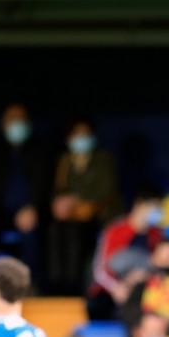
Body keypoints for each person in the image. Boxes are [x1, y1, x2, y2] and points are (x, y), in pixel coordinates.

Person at [0, 104, 49, 274]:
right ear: (3, 124)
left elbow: (44, 185)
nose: (17, 124)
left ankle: (30, 283)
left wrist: (33, 207)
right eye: (12, 119)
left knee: (32, 231)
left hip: (28, 211)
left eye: (21, 119)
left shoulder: (40, 151)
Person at [48, 119, 120, 295]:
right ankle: (56, 283)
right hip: (69, 216)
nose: (81, 138)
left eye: (85, 134)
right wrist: (60, 202)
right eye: (76, 134)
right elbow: (58, 189)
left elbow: (106, 191)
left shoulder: (103, 159)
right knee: (55, 230)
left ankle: (74, 285)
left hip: (97, 216)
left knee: (75, 233)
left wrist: (79, 203)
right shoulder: (65, 161)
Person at [87, 189, 164, 320]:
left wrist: (145, 277)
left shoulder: (157, 234)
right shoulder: (115, 231)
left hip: (145, 291)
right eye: (153, 206)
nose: (156, 211)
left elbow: (161, 268)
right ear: (139, 205)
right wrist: (116, 288)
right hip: (110, 291)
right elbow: (99, 271)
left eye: (158, 207)